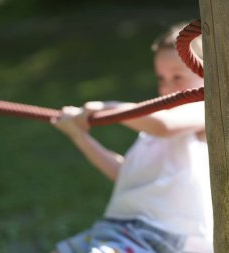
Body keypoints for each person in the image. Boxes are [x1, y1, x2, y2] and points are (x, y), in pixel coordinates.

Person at [51, 22, 213, 253]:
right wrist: (80, 137)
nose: (167, 89)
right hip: (119, 227)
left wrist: (109, 107)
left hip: (161, 235)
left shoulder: (203, 111)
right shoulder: (151, 132)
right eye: (161, 78)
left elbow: (165, 126)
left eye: (177, 77)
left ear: (206, 73)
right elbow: (125, 174)